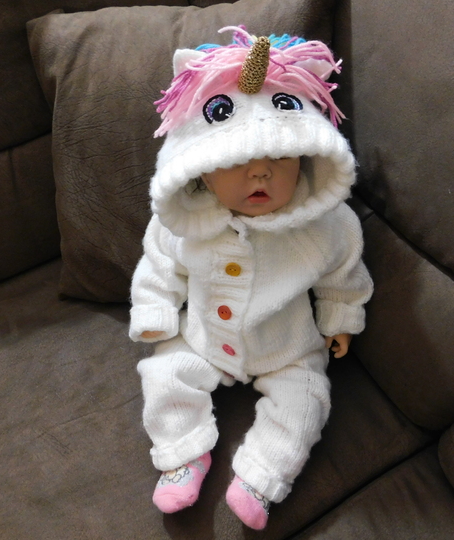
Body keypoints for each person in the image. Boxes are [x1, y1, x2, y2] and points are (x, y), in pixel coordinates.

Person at [129, 26, 373, 530]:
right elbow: (158, 265)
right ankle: (183, 454)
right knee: (163, 374)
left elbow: (343, 274)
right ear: (201, 169)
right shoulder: (185, 223)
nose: (260, 174)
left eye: (280, 158)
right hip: (201, 339)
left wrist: (341, 319)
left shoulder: (324, 225)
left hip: (286, 347)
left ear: (306, 158)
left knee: (307, 401)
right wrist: (154, 311)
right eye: (237, 161)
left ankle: (262, 476)